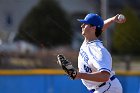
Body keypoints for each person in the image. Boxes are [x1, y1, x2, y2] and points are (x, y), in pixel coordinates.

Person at [74, 13, 126, 93]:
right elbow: (100, 27)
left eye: (85, 24)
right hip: (101, 88)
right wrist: (112, 19)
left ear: (93, 28)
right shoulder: (87, 42)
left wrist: (79, 75)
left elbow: (105, 76)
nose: (82, 26)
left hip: (108, 87)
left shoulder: (98, 50)